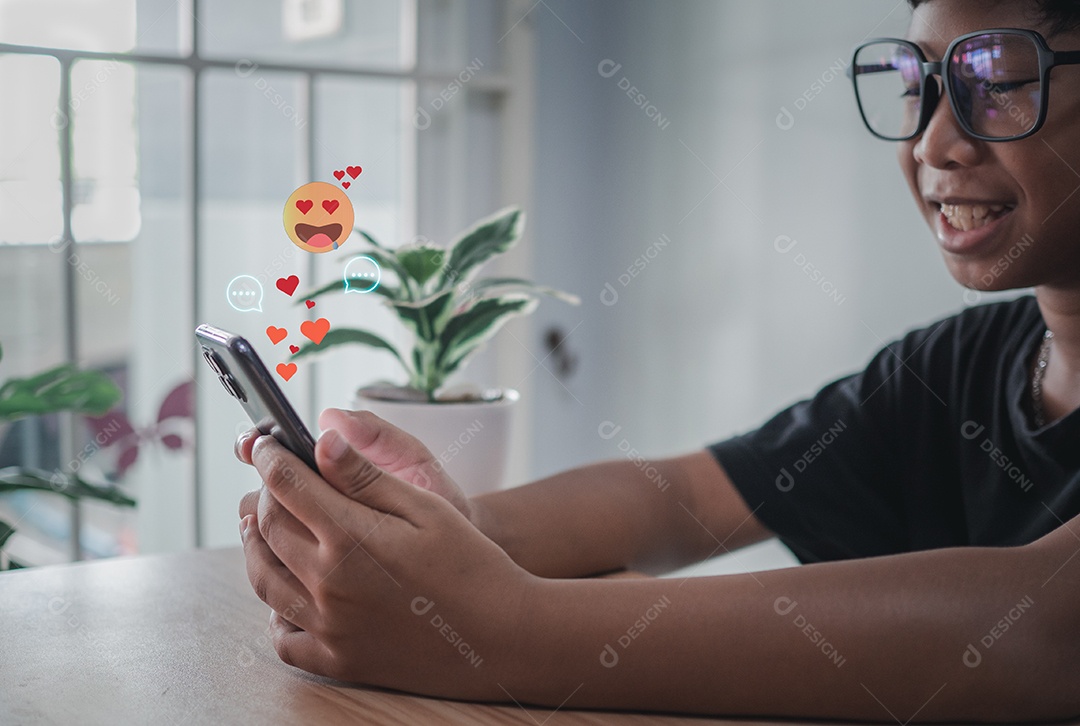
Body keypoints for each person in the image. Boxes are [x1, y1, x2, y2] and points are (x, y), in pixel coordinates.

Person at [235, 0, 1080, 720]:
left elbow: (1043, 626)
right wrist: (449, 530)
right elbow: (685, 498)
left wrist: (498, 628)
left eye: (997, 84)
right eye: (919, 84)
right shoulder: (953, 366)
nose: (933, 143)